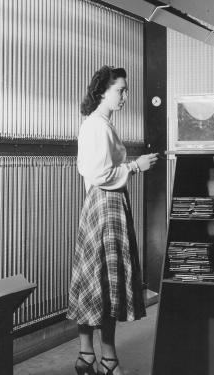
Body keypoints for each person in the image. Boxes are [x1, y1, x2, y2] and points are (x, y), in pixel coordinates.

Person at [67, 65, 158, 375]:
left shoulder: (102, 124)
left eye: (125, 90)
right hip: (104, 208)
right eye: (120, 89)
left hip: (107, 206)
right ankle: (103, 359)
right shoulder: (96, 126)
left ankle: (90, 357)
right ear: (101, 92)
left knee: (101, 281)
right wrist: (135, 166)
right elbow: (97, 174)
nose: (124, 95)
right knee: (101, 282)